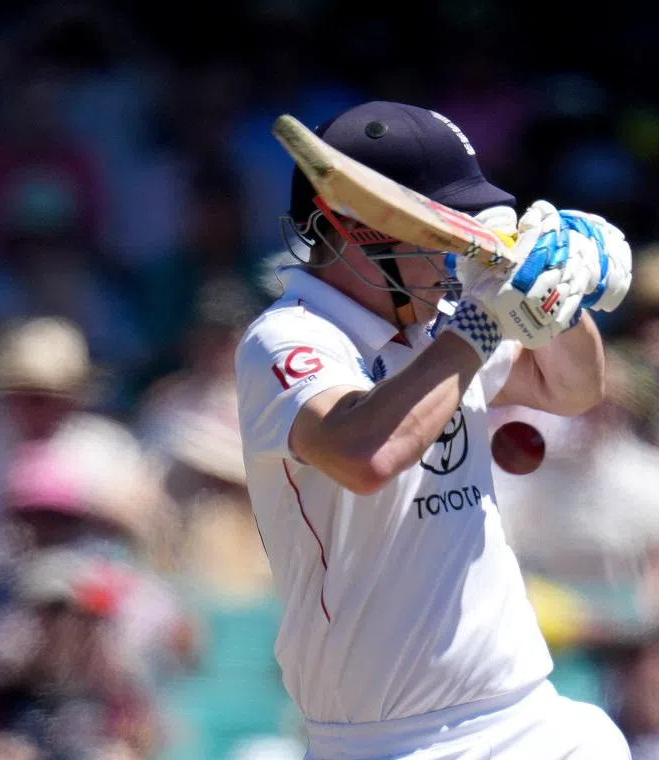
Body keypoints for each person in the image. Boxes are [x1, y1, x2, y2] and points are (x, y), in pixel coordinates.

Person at [234, 101, 633, 759]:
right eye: (439, 232)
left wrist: (558, 296)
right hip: (386, 740)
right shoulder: (287, 338)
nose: (454, 257)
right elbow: (365, 455)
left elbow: (572, 389)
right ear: (358, 229)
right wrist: (478, 325)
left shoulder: (440, 319)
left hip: (530, 716)